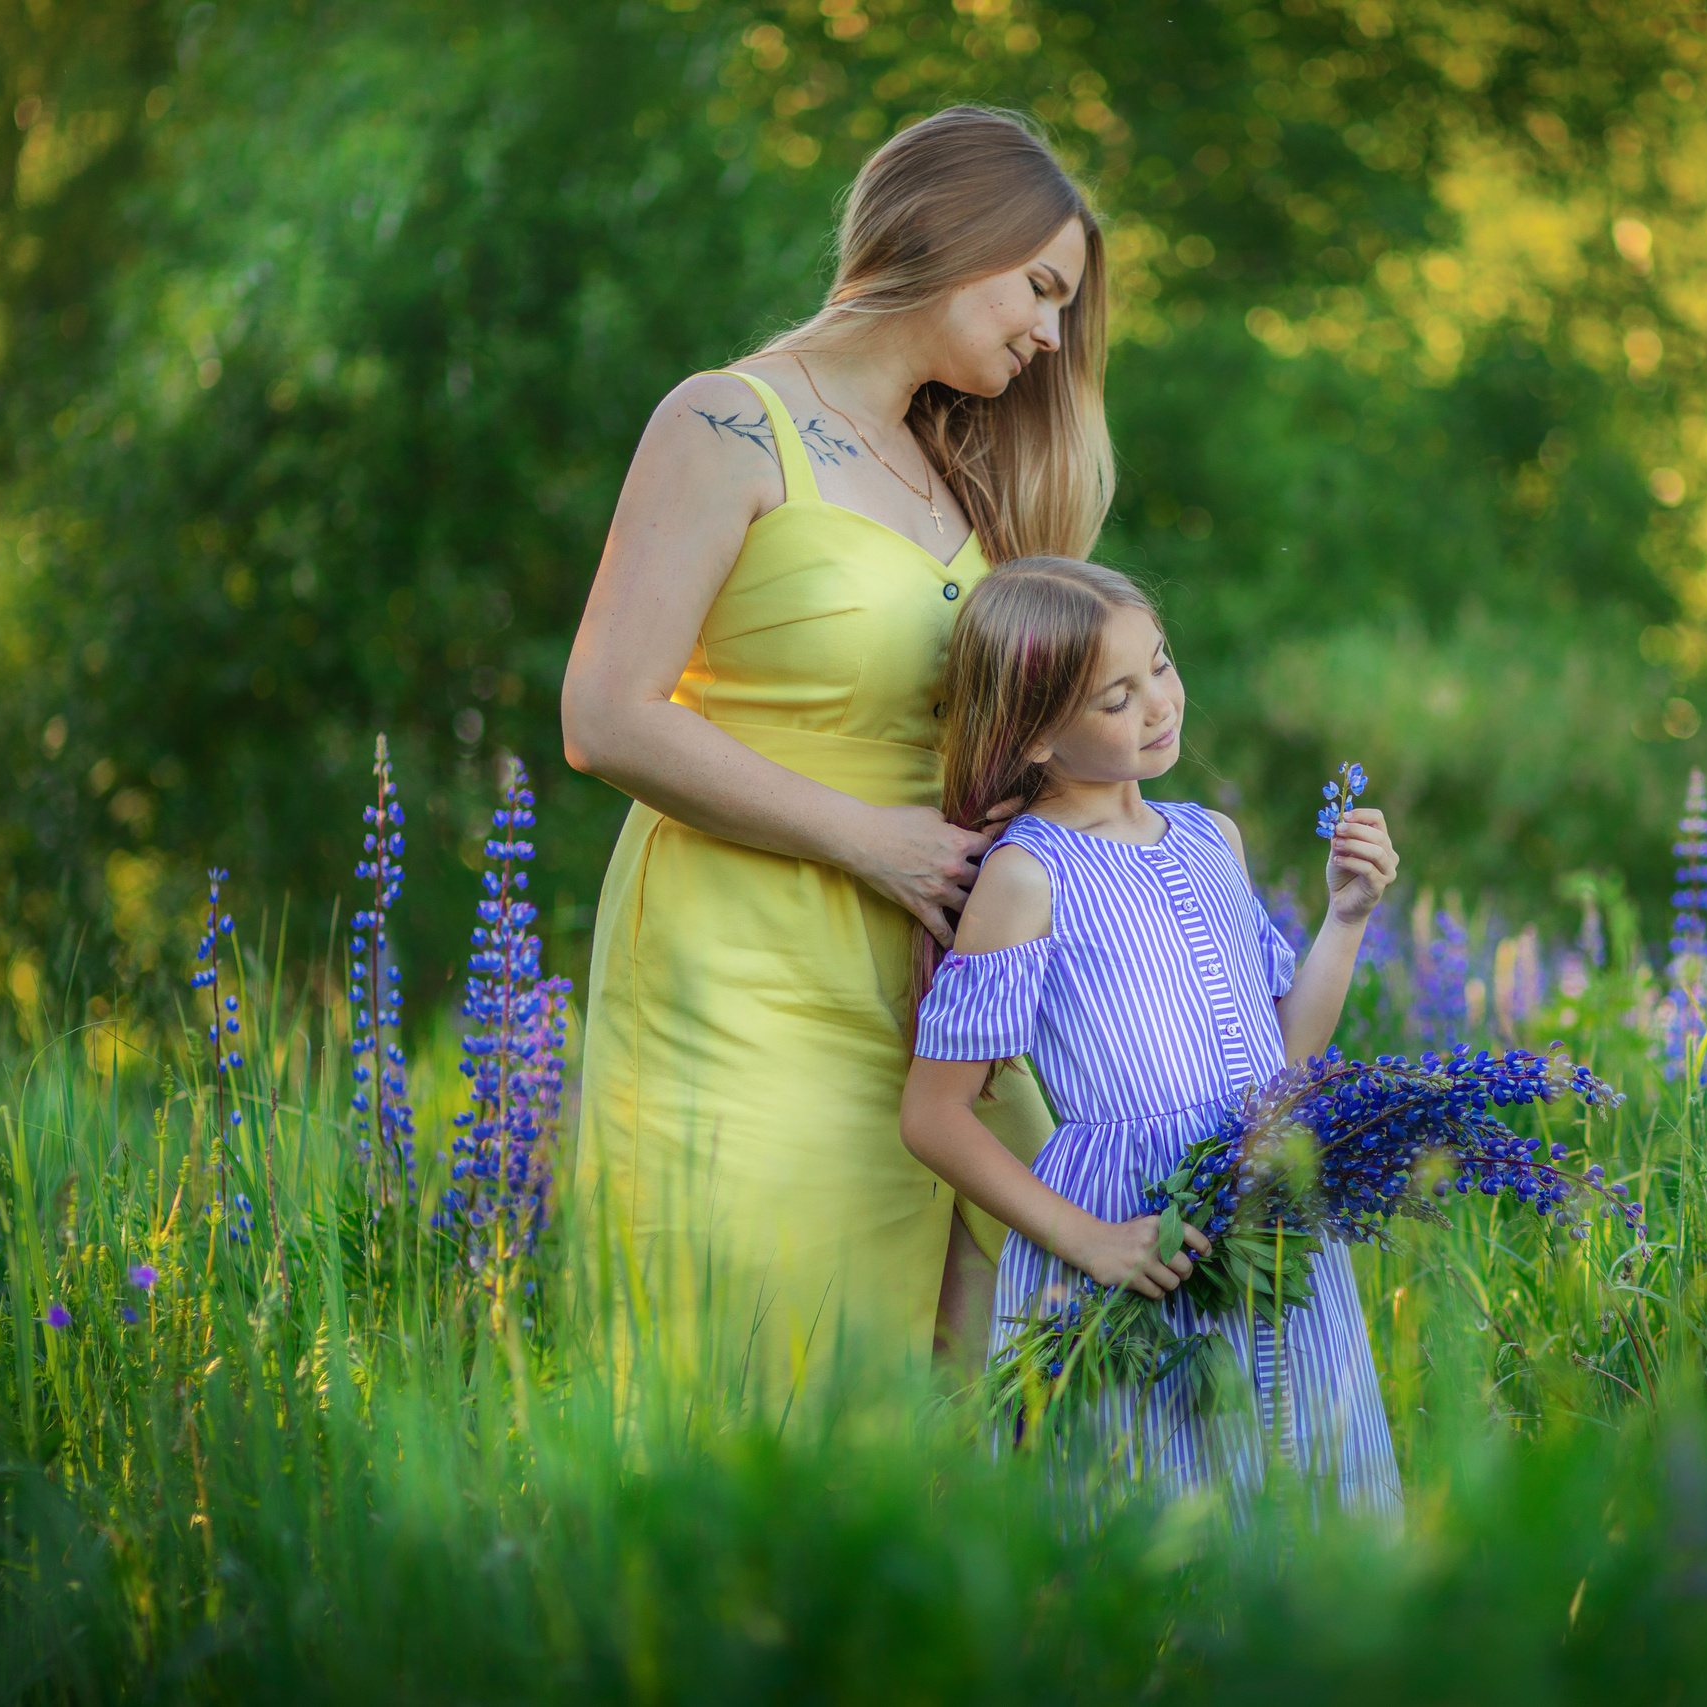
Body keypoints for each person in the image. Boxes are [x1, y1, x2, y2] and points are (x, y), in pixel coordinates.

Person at [559, 108, 1108, 1398]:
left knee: (938, 1381)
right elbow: (605, 714)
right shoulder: (725, 422)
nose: (1047, 333)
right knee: (750, 1369)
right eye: (1039, 287)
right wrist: (876, 842)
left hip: (916, 985)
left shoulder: (950, 477)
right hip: (737, 965)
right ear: (947, 230)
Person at [900, 557, 1403, 1509]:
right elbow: (933, 1115)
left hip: (1266, 1212)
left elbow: (1282, 1058)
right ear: (1037, 732)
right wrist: (1090, 1242)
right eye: (1116, 697)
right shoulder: (1026, 878)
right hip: (1135, 1237)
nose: (1161, 705)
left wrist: (1346, 919)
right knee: (1167, 1519)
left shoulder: (1211, 837)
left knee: (1310, 1496)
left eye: (1162, 667)